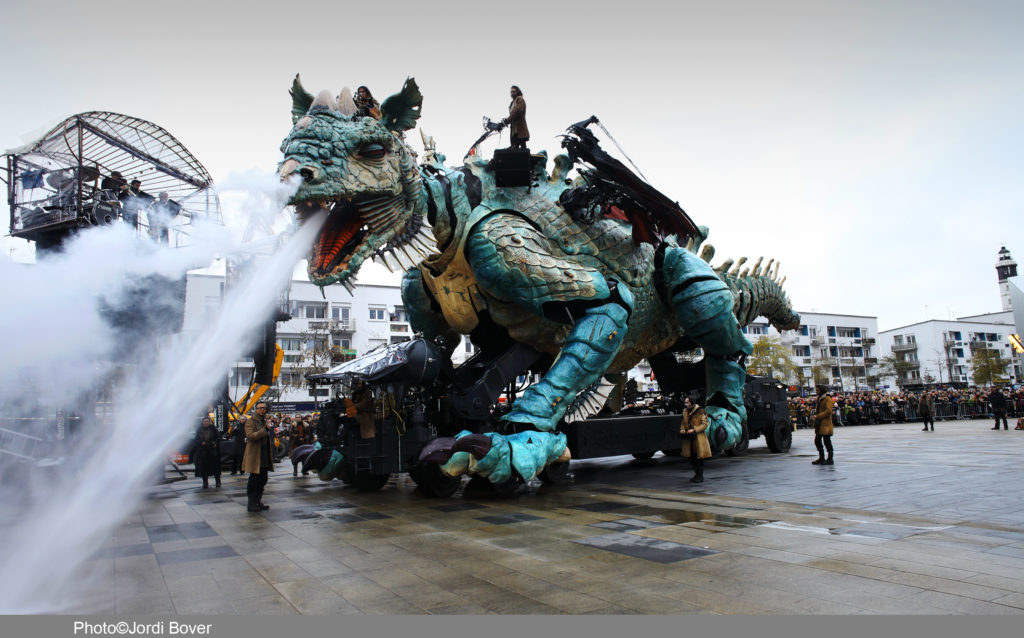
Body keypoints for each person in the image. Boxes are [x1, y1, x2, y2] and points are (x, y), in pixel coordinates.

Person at [242, 402, 274, 512]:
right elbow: (251, 436)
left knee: (263, 480)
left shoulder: (264, 421)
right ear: (256, 409)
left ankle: (258, 501)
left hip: (264, 455)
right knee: (254, 481)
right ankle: (251, 503)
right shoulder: (250, 421)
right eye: (260, 408)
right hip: (255, 455)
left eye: (264, 408)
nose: (262, 410)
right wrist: (265, 430)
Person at [680, 396, 711, 483]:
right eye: (685, 402)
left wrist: (695, 429)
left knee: (699, 457)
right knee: (691, 457)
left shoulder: (700, 411)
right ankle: (696, 474)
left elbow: (705, 424)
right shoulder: (685, 411)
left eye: (687, 402)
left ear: (692, 402)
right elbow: (683, 423)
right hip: (689, 438)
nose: (686, 404)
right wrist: (682, 429)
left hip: (698, 438)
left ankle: (699, 476)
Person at [193, 417, 222, 489]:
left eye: (207, 421)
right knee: (204, 468)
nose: (206, 423)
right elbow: (196, 439)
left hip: (212, 450)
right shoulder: (199, 429)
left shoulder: (213, 428)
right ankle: (205, 482)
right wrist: (201, 442)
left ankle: (218, 481)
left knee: (215, 467)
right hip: (203, 451)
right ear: (202, 422)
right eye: (205, 421)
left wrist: (215, 443)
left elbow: (218, 437)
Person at [812, 385, 835, 465]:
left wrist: (818, 416)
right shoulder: (820, 398)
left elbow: (829, 411)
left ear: (822, 390)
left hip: (825, 423)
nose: (816, 391)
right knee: (817, 441)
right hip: (820, 423)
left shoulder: (827, 398)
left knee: (827, 441)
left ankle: (830, 458)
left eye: (818, 390)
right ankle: (821, 457)